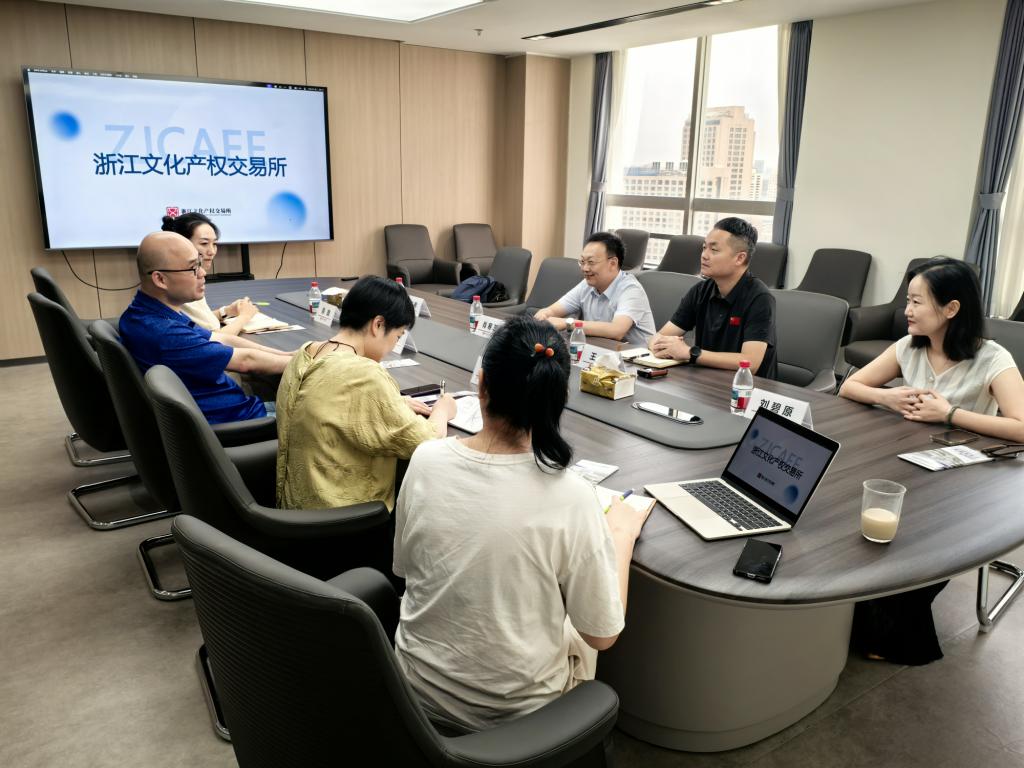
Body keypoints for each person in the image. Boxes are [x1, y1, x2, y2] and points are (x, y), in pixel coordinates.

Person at [393, 315, 651, 731]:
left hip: (411, 693)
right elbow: (602, 636)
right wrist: (620, 534)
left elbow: (405, 570)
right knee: (578, 624)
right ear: (556, 400)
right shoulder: (572, 496)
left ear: (482, 386)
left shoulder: (426, 459)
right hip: (513, 721)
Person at [840, 256, 1024, 664]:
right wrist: (888, 396)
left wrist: (950, 414)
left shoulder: (992, 358)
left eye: (916, 301)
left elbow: (1022, 426)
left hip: (963, 483)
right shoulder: (909, 347)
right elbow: (850, 387)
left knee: (907, 552)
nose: (906, 310)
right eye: (908, 300)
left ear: (951, 308)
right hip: (906, 465)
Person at [276, 276, 457, 512]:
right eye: (397, 336)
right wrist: (443, 409)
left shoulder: (306, 352)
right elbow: (426, 441)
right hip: (342, 516)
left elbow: (334, 401)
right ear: (378, 324)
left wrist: (393, 402)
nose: (392, 347)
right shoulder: (364, 374)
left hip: (295, 506)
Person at [120, 231, 293, 424]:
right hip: (238, 423)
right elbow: (246, 361)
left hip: (235, 409)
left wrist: (289, 356)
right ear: (160, 279)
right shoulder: (164, 332)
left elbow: (220, 338)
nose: (203, 273)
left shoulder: (147, 312)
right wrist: (306, 362)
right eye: (193, 268)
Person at [647, 217, 778, 379]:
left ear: (740, 258)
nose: (704, 255)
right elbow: (662, 335)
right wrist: (656, 343)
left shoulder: (760, 298)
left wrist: (690, 353)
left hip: (748, 387)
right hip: (705, 380)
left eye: (714, 250)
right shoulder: (701, 290)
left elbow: (751, 362)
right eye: (704, 248)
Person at [534, 231, 656, 346]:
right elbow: (552, 310)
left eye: (591, 262)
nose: (585, 268)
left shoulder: (631, 289)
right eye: (582, 261)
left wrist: (568, 323)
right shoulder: (586, 285)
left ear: (613, 263)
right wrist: (543, 316)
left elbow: (617, 330)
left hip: (637, 358)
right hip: (600, 353)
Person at [161, 212, 257, 335]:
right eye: (204, 244)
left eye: (214, 244)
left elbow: (198, 323)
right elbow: (216, 338)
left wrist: (226, 311)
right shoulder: (182, 284)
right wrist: (245, 317)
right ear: (181, 244)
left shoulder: (182, 276)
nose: (212, 251)